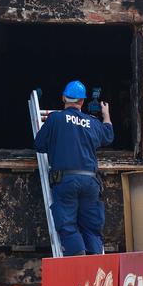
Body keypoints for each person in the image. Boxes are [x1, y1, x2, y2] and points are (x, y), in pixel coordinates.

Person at [34, 79, 113, 256]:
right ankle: (95, 268)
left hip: (66, 181)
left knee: (68, 225)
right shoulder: (93, 122)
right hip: (90, 182)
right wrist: (106, 114)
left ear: (63, 98)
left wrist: (56, 144)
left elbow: (39, 145)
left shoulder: (55, 119)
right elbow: (108, 135)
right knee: (92, 228)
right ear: (83, 102)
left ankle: (78, 266)